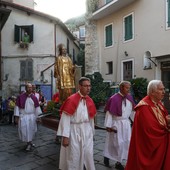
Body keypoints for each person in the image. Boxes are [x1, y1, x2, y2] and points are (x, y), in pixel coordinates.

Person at [125, 80, 170, 170]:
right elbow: (150, 130)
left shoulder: (158, 104)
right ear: (152, 92)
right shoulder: (143, 108)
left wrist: (167, 121)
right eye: (161, 89)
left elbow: (163, 119)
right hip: (149, 149)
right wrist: (167, 127)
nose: (164, 92)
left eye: (164, 89)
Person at [57, 77, 97, 170]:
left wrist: (92, 132)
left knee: (88, 154)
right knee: (74, 155)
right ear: (80, 86)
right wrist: (65, 136)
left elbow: (91, 118)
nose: (88, 88)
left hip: (87, 130)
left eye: (89, 86)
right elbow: (65, 119)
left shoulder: (89, 100)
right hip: (74, 131)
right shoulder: (71, 99)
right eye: (86, 86)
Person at [103, 81, 135, 170]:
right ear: (121, 88)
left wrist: (135, 121)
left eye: (129, 88)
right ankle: (109, 157)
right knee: (116, 143)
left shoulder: (129, 98)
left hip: (126, 124)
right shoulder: (113, 99)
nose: (129, 90)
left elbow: (132, 111)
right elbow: (109, 113)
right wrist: (108, 126)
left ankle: (119, 161)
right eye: (127, 88)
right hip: (116, 124)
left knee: (126, 142)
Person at [14, 83, 42, 151]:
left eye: (31, 87)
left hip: (32, 117)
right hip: (24, 116)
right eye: (28, 87)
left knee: (32, 130)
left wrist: (38, 117)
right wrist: (16, 117)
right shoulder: (20, 97)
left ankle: (30, 142)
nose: (30, 88)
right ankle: (28, 143)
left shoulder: (34, 97)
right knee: (25, 131)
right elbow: (17, 107)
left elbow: (37, 108)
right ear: (25, 88)